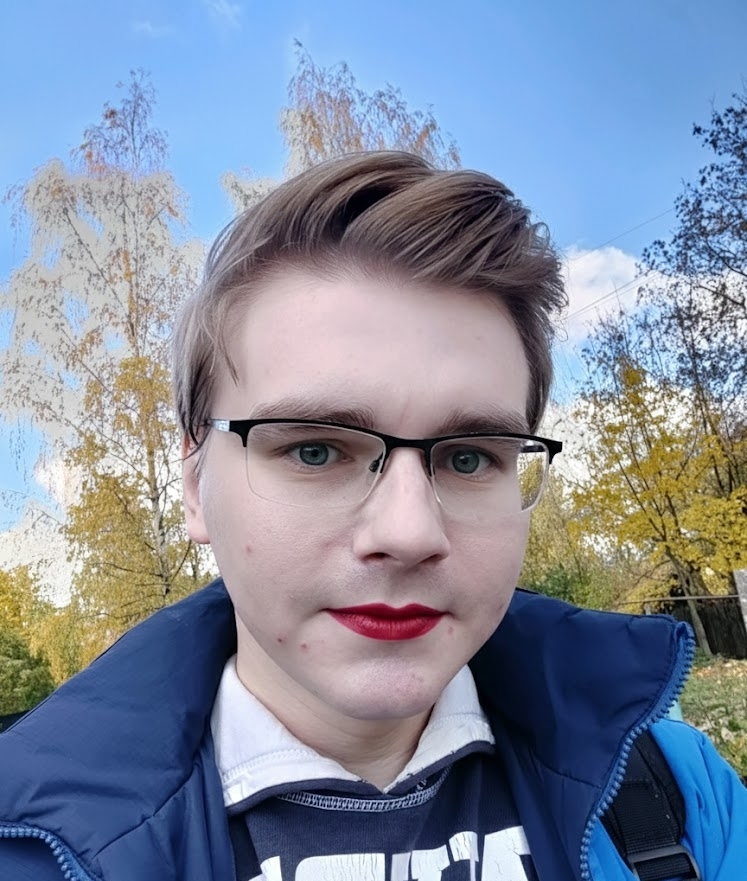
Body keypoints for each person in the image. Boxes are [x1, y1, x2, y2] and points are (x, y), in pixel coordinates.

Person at [0, 151, 744, 881]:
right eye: (317, 450)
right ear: (195, 486)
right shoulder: (37, 846)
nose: (409, 533)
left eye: (467, 458)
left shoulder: (674, 794)